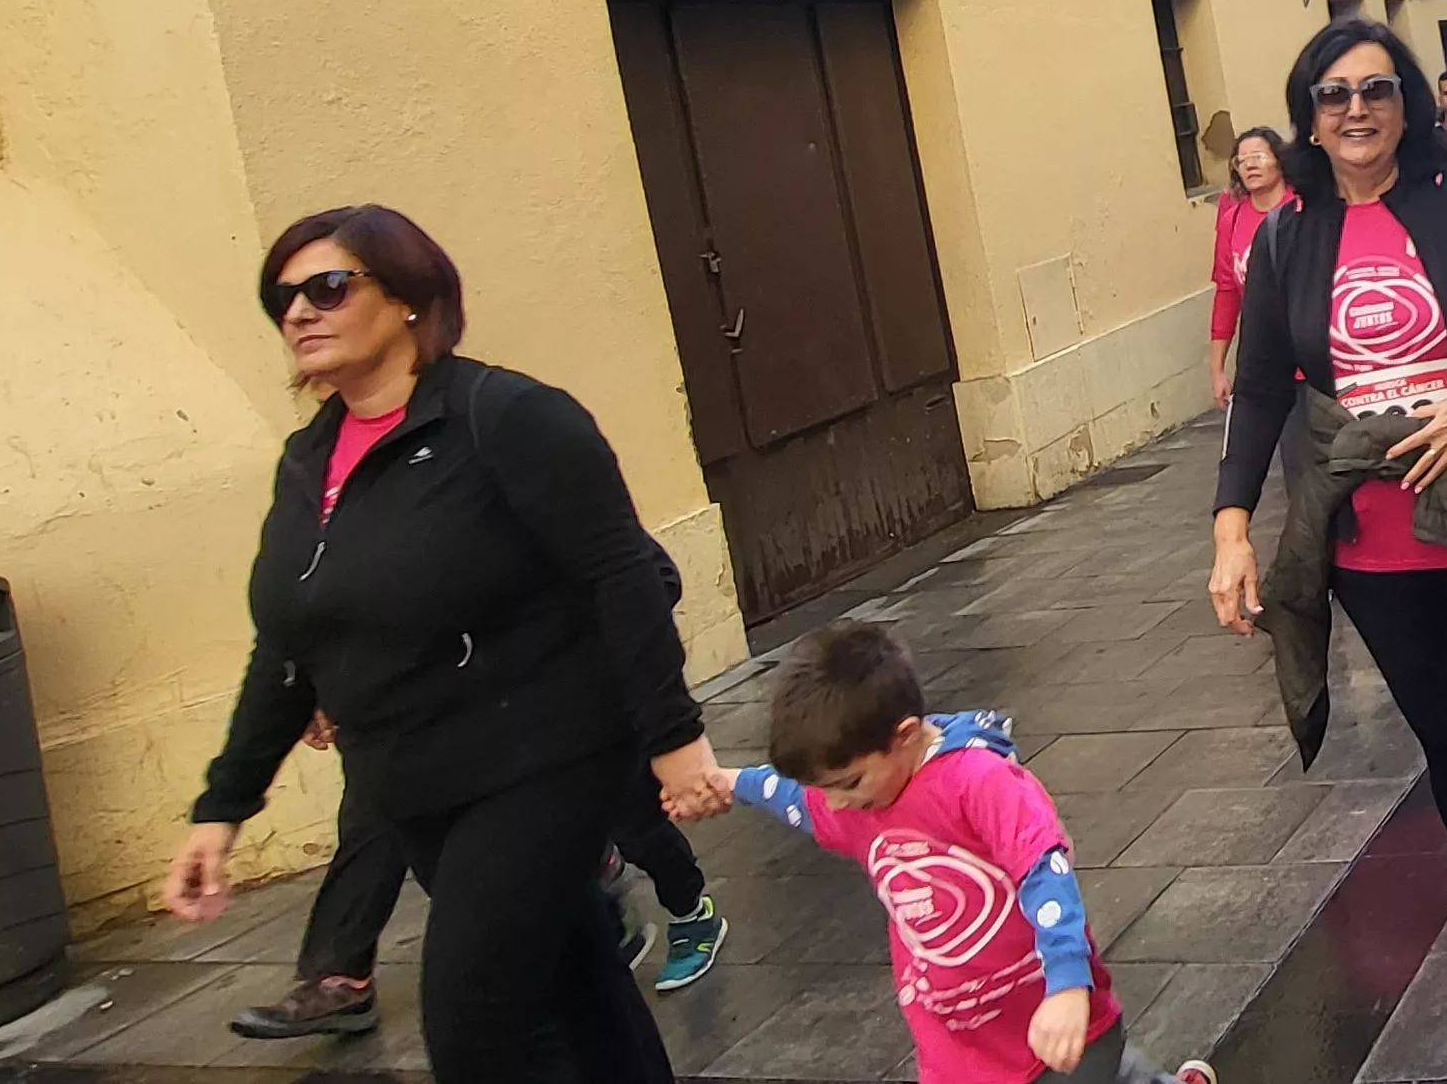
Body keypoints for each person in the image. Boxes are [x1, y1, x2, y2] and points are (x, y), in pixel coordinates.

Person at [167, 204, 723, 1082]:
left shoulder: (506, 416)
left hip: (543, 760)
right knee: (576, 985)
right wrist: (221, 807)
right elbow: (286, 638)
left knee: (476, 1027)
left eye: (328, 286)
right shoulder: (309, 459)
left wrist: (673, 739)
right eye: (282, 297)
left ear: (410, 298)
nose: (299, 312)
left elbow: (624, 574)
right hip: (414, 783)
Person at [1210, 19, 1447, 1073]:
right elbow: (1257, 392)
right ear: (1307, 116)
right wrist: (1231, 526)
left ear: (1408, 104)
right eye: (1331, 95)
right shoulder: (1285, 239)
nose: (1354, 110)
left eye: (1375, 89)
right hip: (1371, 548)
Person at [681, 623, 1214, 1084]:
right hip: (960, 1047)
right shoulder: (860, 800)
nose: (839, 803)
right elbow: (796, 797)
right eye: (830, 790)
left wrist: (1069, 983)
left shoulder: (977, 782)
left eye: (849, 782)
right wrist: (729, 782)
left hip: (1050, 1013)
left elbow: (1044, 869)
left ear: (905, 736)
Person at [227, 712, 731, 1039]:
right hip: (442, 708)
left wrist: (670, 731)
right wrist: (323, 689)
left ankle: (689, 909)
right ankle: (340, 973)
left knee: (634, 814)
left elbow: (645, 578)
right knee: (377, 812)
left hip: (563, 690)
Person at [1210, 127, 1297, 408]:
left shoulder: (1305, 208)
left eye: (1258, 156)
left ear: (1279, 160)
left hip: (1312, 357)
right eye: (1241, 160)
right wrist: (1217, 369)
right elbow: (1227, 293)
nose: (1249, 165)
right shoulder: (1232, 220)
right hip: (1263, 356)